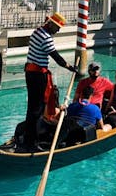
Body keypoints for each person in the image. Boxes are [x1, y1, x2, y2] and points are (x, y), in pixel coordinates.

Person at [20, 12, 77, 151]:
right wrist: (70, 67)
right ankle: (32, 142)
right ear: (50, 23)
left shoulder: (37, 31)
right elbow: (56, 57)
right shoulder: (46, 38)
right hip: (38, 75)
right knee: (38, 108)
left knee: (32, 107)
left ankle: (29, 138)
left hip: (29, 72)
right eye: (57, 27)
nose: (57, 30)